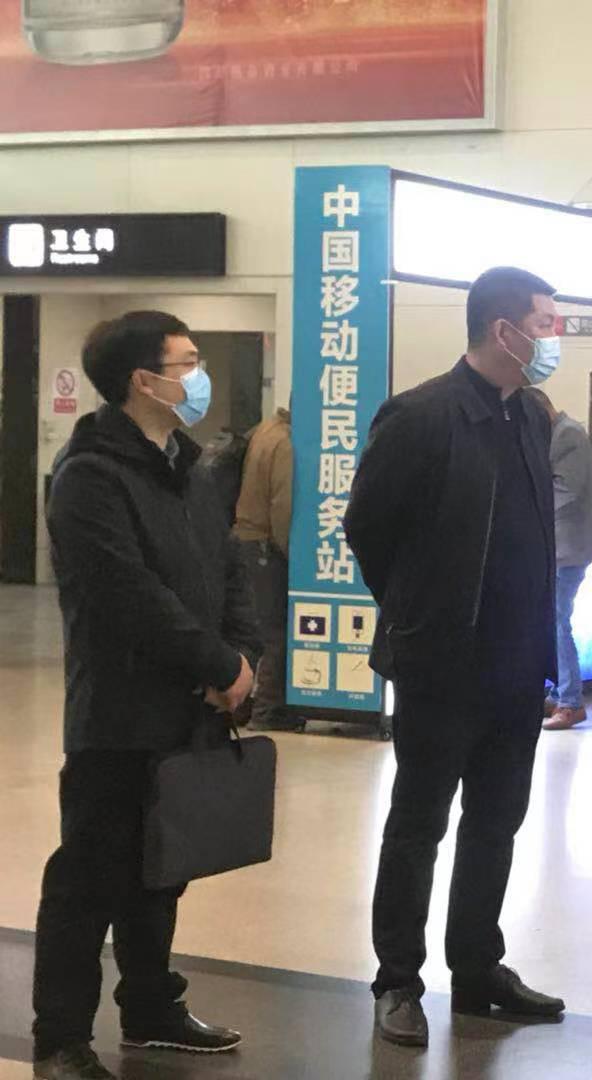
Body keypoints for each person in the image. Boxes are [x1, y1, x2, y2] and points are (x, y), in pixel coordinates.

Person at [344, 267, 566, 1049]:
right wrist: (417, 616)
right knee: (418, 825)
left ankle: (477, 968)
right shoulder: (420, 415)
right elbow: (367, 527)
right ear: (503, 330)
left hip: (517, 665)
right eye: (545, 323)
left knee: (496, 823)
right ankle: (397, 981)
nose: (553, 338)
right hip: (441, 663)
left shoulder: (530, 414)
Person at [33, 312, 259, 1080]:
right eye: (187, 363)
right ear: (143, 381)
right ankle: (60, 1039)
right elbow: (128, 595)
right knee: (89, 876)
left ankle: (152, 1008)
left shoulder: (190, 467)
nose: (200, 377)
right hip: (119, 715)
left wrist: (242, 658)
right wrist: (216, 662)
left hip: (190, 708)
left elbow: (228, 570)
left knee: (163, 868)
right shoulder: (90, 476)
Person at [522, 387, 592, 732]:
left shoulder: (568, 434)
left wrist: (525, 512)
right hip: (557, 547)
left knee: (557, 622)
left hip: (567, 549)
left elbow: (565, 492)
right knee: (552, 621)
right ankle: (559, 693)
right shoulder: (560, 432)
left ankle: (571, 702)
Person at [232, 405, 299, 732]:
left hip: (244, 539)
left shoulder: (265, 428)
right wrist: (292, 554)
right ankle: (267, 711)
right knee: (275, 633)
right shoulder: (285, 442)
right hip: (263, 544)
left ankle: (240, 706)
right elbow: (282, 505)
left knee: (252, 627)